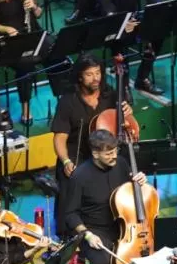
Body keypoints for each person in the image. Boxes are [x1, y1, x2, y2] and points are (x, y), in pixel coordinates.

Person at [62, 129, 168, 264]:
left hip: (125, 227)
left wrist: (140, 181)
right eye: (108, 153)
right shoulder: (79, 176)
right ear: (95, 153)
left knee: (153, 256)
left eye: (115, 151)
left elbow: (133, 190)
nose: (114, 156)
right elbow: (70, 213)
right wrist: (87, 234)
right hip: (95, 230)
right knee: (101, 261)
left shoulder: (121, 163)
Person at [50, 55, 133, 234]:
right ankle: (69, 238)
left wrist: (127, 113)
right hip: (76, 156)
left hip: (104, 158)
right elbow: (59, 138)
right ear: (80, 76)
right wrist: (65, 161)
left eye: (98, 73)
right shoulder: (68, 101)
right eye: (89, 74)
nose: (96, 78)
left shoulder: (110, 95)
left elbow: (124, 124)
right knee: (69, 191)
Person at [96, 0, 164, 95]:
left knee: (157, 35)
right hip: (112, 26)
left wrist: (152, 17)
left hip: (133, 21)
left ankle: (142, 78)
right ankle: (124, 86)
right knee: (119, 40)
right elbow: (108, 13)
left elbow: (154, 0)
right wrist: (122, 24)